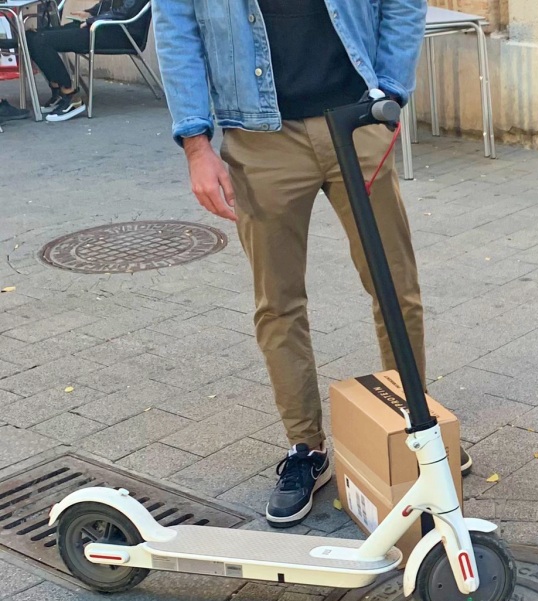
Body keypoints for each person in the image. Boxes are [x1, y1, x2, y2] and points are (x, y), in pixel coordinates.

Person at [154, 0, 471, 529]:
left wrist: (390, 92)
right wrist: (195, 144)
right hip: (259, 138)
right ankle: (306, 449)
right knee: (277, 302)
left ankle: (417, 430)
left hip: (357, 118)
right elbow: (177, 29)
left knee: (394, 287)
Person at [15, 0, 153, 122]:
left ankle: (70, 96)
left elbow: (125, 13)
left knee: (41, 40)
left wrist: (92, 20)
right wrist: (89, 13)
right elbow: (110, 5)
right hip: (104, 27)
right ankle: (57, 90)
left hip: (119, 33)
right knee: (31, 37)